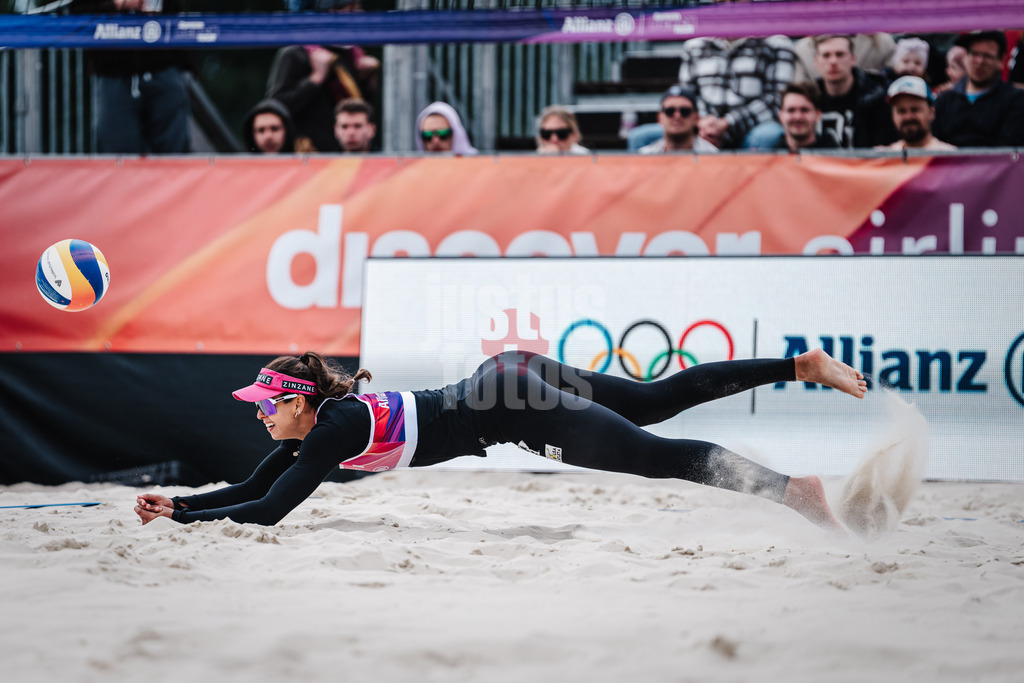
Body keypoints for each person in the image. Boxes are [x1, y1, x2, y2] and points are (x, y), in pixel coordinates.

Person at [134, 348, 868, 531]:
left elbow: (268, 510)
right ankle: (797, 365)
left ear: (298, 404)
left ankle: (794, 491)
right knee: (653, 400)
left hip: (507, 407)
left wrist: (190, 519)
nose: (259, 414)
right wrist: (184, 505)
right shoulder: (320, 429)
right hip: (502, 374)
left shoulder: (331, 429)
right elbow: (253, 487)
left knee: (654, 454)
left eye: (266, 405)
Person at [71, 0, 192, 154]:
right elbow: (77, 16)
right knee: (117, 158)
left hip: (162, 68)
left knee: (174, 157)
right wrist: (119, 4)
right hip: (113, 73)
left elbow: (179, 14)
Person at [675, 30, 797, 149]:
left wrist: (727, 123)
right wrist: (703, 122)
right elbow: (687, 97)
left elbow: (778, 99)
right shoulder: (694, 45)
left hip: (753, 130)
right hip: (703, 129)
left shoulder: (776, 43)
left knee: (769, 135)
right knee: (659, 133)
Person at [266, 39, 379, 153]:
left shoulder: (351, 54)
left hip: (343, 152)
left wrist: (368, 80)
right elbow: (277, 109)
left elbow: (358, 109)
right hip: (306, 153)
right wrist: (315, 79)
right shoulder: (295, 54)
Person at [932, 30, 1024, 148]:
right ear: (965, 57)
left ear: (1001, 61)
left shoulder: (1015, 100)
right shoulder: (944, 101)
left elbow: (1008, 147)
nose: (980, 61)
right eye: (975, 54)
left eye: (987, 56)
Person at [813, 34, 897, 148]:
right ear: (816, 62)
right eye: (826, 55)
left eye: (840, 54)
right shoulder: (808, 100)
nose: (833, 61)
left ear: (853, 59)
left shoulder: (877, 97)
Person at [881, 76, 956, 151]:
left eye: (915, 110)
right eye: (901, 111)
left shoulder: (950, 157)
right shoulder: (883, 157)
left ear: (931, 112)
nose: (908, 117)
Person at [638, 86, 718, 154]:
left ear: (696, 118)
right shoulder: (644, 156)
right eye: (670, 111)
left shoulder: (714, 156)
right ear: (659, 118)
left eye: (684, 111)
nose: (677, 116)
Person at [771, 82, 841, 152]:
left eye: (804, 110)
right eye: (791, 110)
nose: (798, 117)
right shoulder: (768, 155)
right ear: (781, 115)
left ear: (818, 115)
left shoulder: (836, 156)